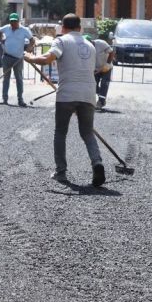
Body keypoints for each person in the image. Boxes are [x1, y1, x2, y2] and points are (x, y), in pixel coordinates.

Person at [24, 13, 106, 187]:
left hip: (67, 94)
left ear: (63, 27)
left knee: (61, 132)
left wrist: (29, 57)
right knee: (87, 132)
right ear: (79, 28)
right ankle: (97, 162)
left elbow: (47, 59)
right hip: (88, 94)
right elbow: (100, 67)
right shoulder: (90, 45)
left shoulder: (61, 41)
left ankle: (61, 171)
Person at [0, 12, 35, 107]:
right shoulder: (6, 28)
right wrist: (1, 40)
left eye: (15, 21)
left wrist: (29, 48)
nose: (13, 23)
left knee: (19, 79)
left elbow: (32, 40)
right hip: (6, 57)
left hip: (18, 59)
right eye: (11, 21)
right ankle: (4, 99)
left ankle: (20, 100)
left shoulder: (24, 30)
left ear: (18, 21)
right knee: (6, 79)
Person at [84, 33, 115, 110]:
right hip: (95, 69)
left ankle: (101, 102)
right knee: (94, 85)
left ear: (91, 41)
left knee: (104, 83)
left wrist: (108, 64)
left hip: (106, 68)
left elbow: (111, 52)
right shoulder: (85, 48)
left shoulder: (101, 43)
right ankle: (101, 97)